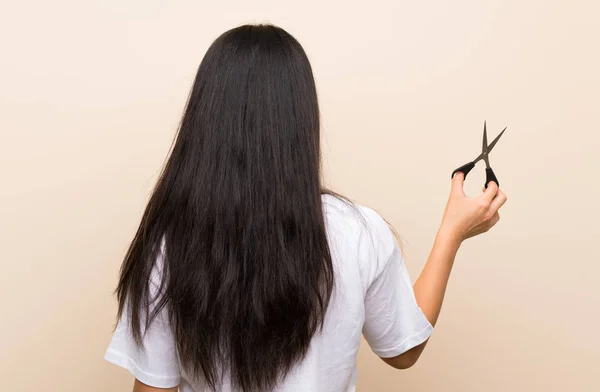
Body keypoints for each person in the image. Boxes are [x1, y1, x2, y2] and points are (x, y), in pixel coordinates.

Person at [104, 24, 507, 392]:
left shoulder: (171, 241)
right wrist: (451, 234)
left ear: (205, 118)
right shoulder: (356, 232)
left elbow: (154, 388)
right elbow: (402, 351)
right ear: (301, 119)